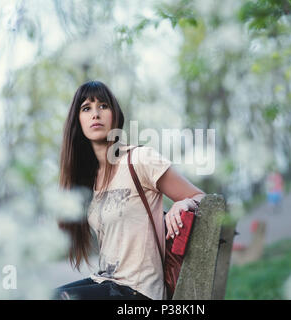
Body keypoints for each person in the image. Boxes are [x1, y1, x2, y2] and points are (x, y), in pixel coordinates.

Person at [53, 80, 206, 300]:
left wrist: (185, 202)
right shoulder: (90, 181)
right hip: (105, 283)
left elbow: (202, 197)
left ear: (115, 115)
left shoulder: (139, 160)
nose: (95, 113)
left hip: (139, 292)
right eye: (86, 108)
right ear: (77, 121)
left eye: (103, 106)